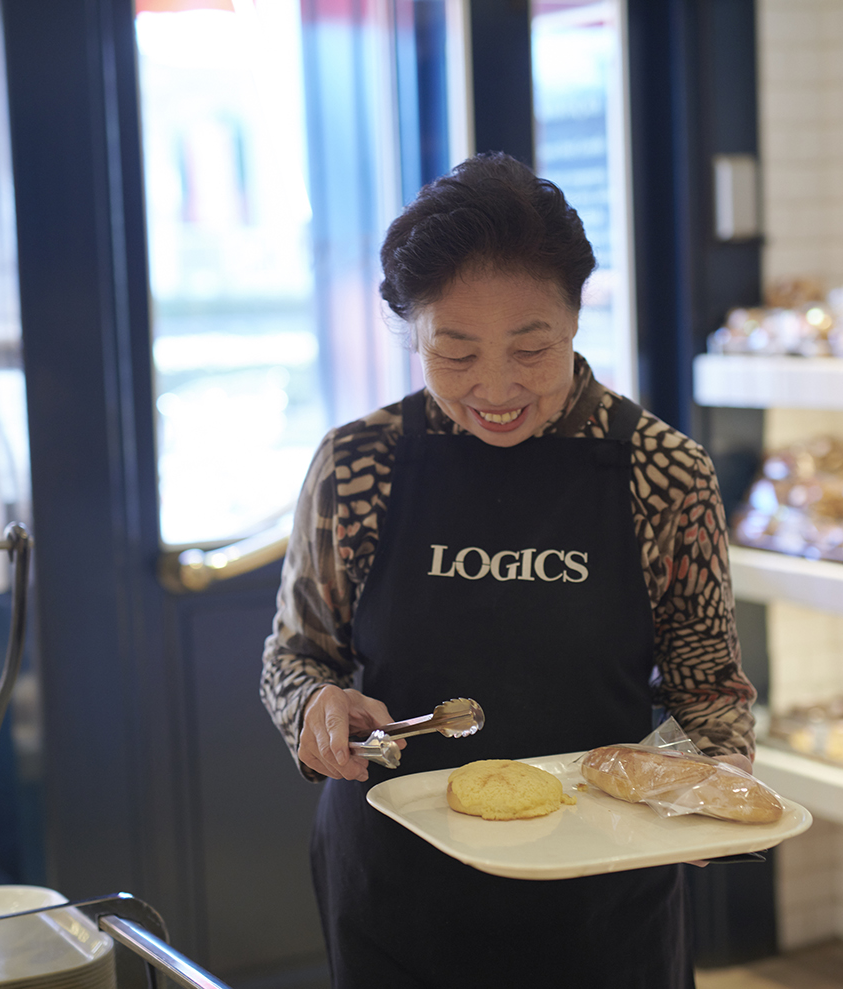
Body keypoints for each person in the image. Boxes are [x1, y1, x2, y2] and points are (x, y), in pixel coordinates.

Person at [260, 152, 755, 987]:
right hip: (397, 889)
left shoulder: (663, 472)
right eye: (454, 355)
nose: (496, 388)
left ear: (576, 317)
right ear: (411, 335)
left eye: (532, 348)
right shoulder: (358, 465)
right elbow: (295, 656)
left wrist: (717, 776)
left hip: (604, 891)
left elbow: (708, 689)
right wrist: (315, 705)